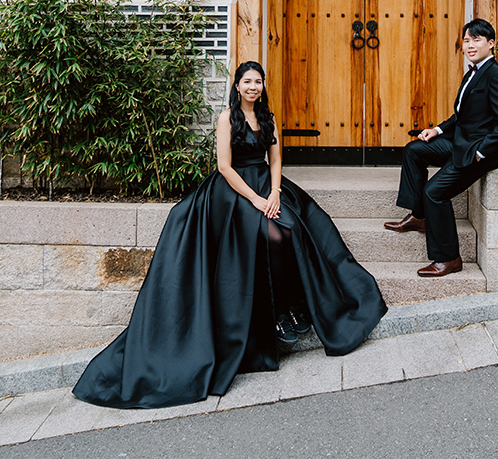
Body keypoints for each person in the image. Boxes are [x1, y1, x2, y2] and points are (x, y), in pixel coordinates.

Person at [73, 61, 387, 410]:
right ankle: (275, 315)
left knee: (295, 230)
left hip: (266, 186)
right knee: (271, 236)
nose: (253, 86)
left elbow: (276, 158)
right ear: (237, 86)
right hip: (233, 191)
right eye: (247, 81)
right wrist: (254, 199)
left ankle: (293, 309)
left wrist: (276, 192)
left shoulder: (268, 117)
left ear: (263, 86)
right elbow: (223, 166)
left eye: (258, 81)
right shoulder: (227, 118)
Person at [384, 19, 498, 277]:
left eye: (476, 40)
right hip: (460, 142)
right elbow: (462, 116)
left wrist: (481, 152)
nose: (470, 45)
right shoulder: (473, 73)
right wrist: (437, 130)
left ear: (491, 44)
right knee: (414, 150)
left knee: (434, 192)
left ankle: (448, 259)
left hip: (479, 153)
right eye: (467, 40)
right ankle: (419, 216)